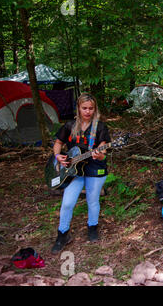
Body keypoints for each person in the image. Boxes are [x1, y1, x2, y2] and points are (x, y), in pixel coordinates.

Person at [51, 93, 111, 254]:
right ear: (78, 108)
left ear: (95, 109)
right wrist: (58, 156)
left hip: (94, 168)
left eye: (91, 108)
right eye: (84, 108)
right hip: (73, 171)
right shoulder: (70, 125)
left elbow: (103, 152)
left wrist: (99, 154)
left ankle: (92, 228)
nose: (87, 111)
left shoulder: (100, 127)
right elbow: (58, 143)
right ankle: (63, 234)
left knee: (92, 200)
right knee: (68, 203)